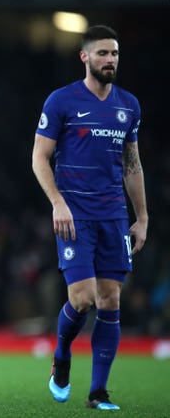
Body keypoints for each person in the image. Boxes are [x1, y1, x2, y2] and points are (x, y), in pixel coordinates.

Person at [32, 25, 148, 410]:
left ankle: (98, 393)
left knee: (111, 300)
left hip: (113, 215)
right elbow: (39, 158)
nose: (110, 60)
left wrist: (142, 216)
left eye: (114, 53)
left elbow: (132, 164)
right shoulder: (62, 101)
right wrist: (57, 203)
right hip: (74, 214)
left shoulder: (128, 105)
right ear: (85, 57)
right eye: (102, 53)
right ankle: (62, 356)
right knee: (82, 299)